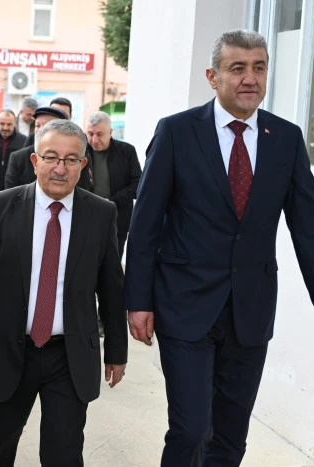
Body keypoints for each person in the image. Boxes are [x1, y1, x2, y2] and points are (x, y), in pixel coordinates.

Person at [124, 29, 314, 466]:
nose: (250, 78)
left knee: (230, 439)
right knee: (191, 430)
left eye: (259, 68)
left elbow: (307, 228)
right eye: (238, 68)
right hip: (184, 305)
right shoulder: (176, 132)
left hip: (251, 310)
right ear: (212, 77)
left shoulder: (285, 138)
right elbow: (146, 223)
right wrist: (138, 300)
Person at [0, 119, 127, 466]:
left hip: (69, 355)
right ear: (35, 161)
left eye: (71, 159)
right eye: (51, 157)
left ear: (83, 165)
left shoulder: (101, 213)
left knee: (64, 452)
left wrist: (116, 352)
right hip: (7, 349)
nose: (60, 168)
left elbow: (111, 289)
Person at [85, 111, 141, 258]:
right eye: (90, 134)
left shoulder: (126, 151)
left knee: (113, 260)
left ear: (110, 132)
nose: (94, 139)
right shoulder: (81, 151)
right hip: (86, 217)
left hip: (118, 218)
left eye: (100, 134)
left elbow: (137, 184)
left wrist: (112, 201)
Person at [5, 106, 69, 189]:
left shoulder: (73, 159)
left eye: (45, 126)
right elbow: (11, 193)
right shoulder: (18, 158)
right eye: (37, 126)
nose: (40, 130)